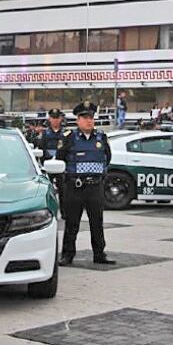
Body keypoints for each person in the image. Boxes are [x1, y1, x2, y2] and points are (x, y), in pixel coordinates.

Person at [57, 101, 115, 266]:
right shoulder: (69, 138)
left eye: (91, 117)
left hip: (95, 187)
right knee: (72, 223)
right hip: (75, 187)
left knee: (97, 222)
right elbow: (60, 161)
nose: (89, 121)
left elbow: (107, 158)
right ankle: (67, 255)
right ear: (78, 120)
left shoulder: (101, 137)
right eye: (85, 117)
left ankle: (99, 253)